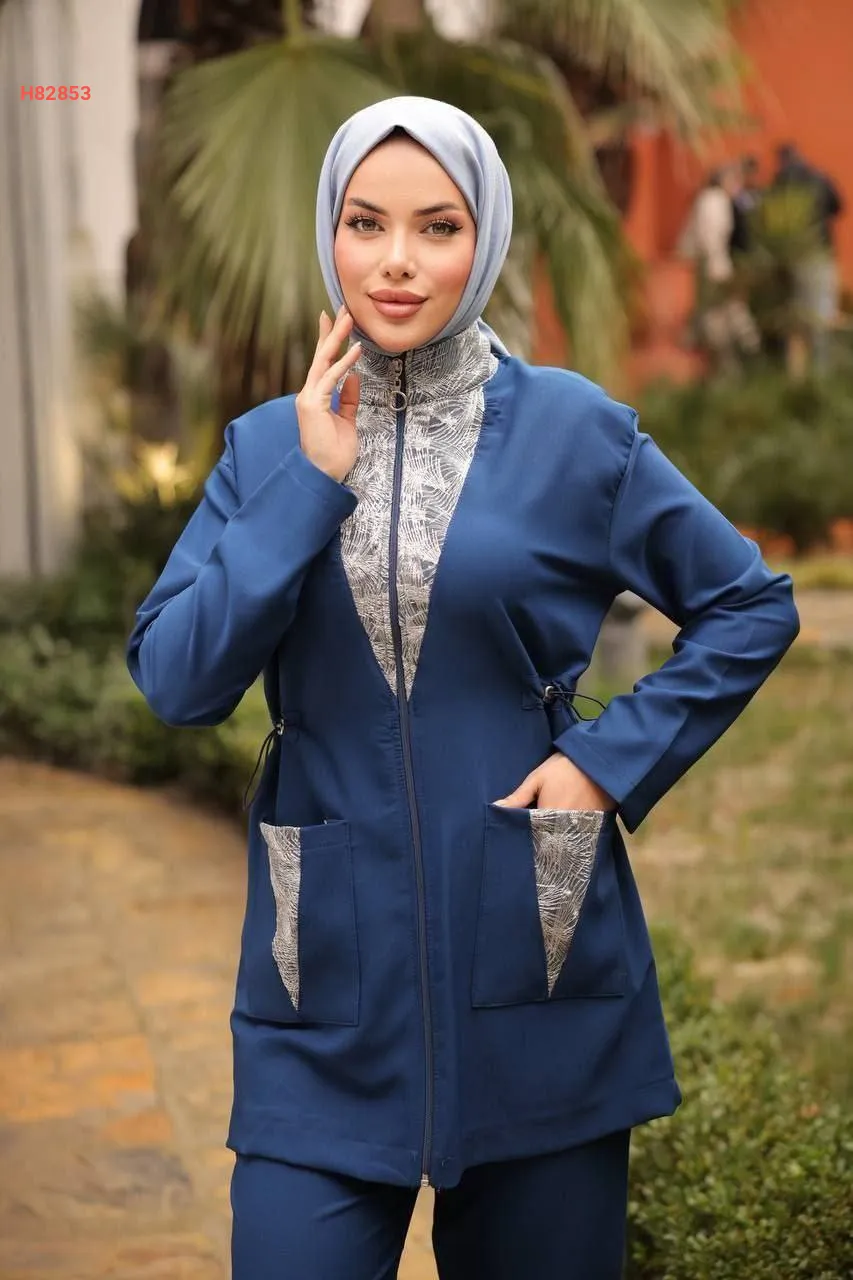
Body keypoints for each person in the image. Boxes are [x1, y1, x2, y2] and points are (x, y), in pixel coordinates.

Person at [127, 97, 800, 1278]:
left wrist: (604, 761)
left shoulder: (576, 433)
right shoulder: (266, 447)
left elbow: (749, 604)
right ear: (328, 232)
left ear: (484, 237)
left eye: (437, 226)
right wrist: (308, 483)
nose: (396, 260)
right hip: (323, 991)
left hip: (534, 964)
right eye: (365, 223)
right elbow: (178, 678)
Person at [678, 165, 760, 371]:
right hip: (715, 264)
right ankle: (745, 350)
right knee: (721, 311)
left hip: (715, 263)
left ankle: (738, 352)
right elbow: (711, 238)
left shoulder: (712, 200)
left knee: (720, 309)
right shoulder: (714, 202)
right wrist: (717, 266)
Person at [772, 143, 845, 371]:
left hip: (789, 257)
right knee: (822, 312)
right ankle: (821, 369)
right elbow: (838, 207)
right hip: (819, 253)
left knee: (795, 316)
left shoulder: (780, 183)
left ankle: (796, 372)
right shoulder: (820, 179)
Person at [729, 153, 763, 257]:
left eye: (753, 173)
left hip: (755, 243)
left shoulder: (758, 193)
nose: (751, 177)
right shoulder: (735, 194)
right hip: (739, 244)